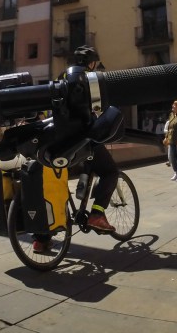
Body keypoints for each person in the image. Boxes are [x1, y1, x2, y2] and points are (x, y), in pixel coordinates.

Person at [68, 46, 118, 234]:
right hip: (84, 137)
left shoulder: (63, 77)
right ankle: (97, 214)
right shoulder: (90, 78)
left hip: (61, 140)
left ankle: (43, 238)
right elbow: (98, 109)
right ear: (92, 63)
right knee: (110, 172)